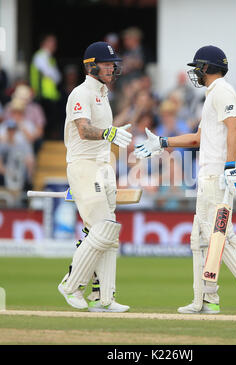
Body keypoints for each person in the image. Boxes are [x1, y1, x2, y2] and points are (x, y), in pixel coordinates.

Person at [134, 45, 236, 314]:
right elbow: (198, 139)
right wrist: (162, 142)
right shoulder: (212, 95)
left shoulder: (222, 91)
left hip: (218, 174)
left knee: (216, 235)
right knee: (200, 238)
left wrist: (230, 166)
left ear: (208, 68)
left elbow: (235, 128)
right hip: (209, 174)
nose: (195, 72)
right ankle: (206, 300)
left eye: (198, 67)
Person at [58, 41, 133, 313]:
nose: (112, 67)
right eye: (107, 63)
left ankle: (104, 298)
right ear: (91, 66)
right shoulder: (81, 93)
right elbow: (83, 130)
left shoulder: (103, 94)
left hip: (103, 165)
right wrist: (109, 133)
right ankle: (70, 284)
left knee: (107, 232)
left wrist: (112, 133)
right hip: (84, 166)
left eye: (113, 64)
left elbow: (99, 133)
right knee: (103, 228)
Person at [30, 34, 63, 139]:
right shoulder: (40, 56)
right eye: (51, 41)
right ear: (44, 43)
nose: (54, 44)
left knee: (51, 122)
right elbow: (52, 75)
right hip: (41, 96)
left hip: (50, 96)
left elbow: (57, 77)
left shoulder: (49, 58)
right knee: (44, 123)